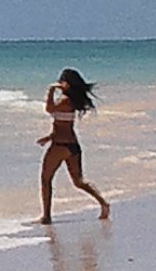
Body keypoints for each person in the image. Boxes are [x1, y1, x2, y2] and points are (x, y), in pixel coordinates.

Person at [39, 68, 106, 218]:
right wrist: (49, 137)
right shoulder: (71, 101)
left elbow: (49, 109)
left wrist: (50, 90)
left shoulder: (65, 100)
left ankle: (46, 216)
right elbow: (63, 125)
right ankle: (103, 203)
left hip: (60, 146)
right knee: (78, 181)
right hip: (72, 145)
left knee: (46, 179)